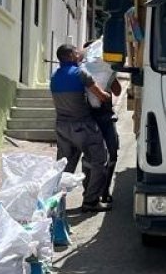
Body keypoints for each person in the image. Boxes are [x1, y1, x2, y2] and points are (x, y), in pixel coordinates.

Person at [50, 44, 120, 212]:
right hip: (83, 126)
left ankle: (55, 204)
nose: (80, 53)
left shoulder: (55, 75)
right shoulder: (80, 73)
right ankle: (91, 202)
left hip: (62, 127)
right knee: (99, 160)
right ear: (71, 56)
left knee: (65, 167)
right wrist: (107, 94)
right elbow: (101, 96)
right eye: (76, 52)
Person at [81, 40, 119, 208]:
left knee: (110, 155)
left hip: (104, 117)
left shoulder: (106, 71)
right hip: (93, 118)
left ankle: (103, 191)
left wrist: (111, 75)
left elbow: (116, 90)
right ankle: (90, 192)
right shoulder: (82, 72)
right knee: (93, 158)